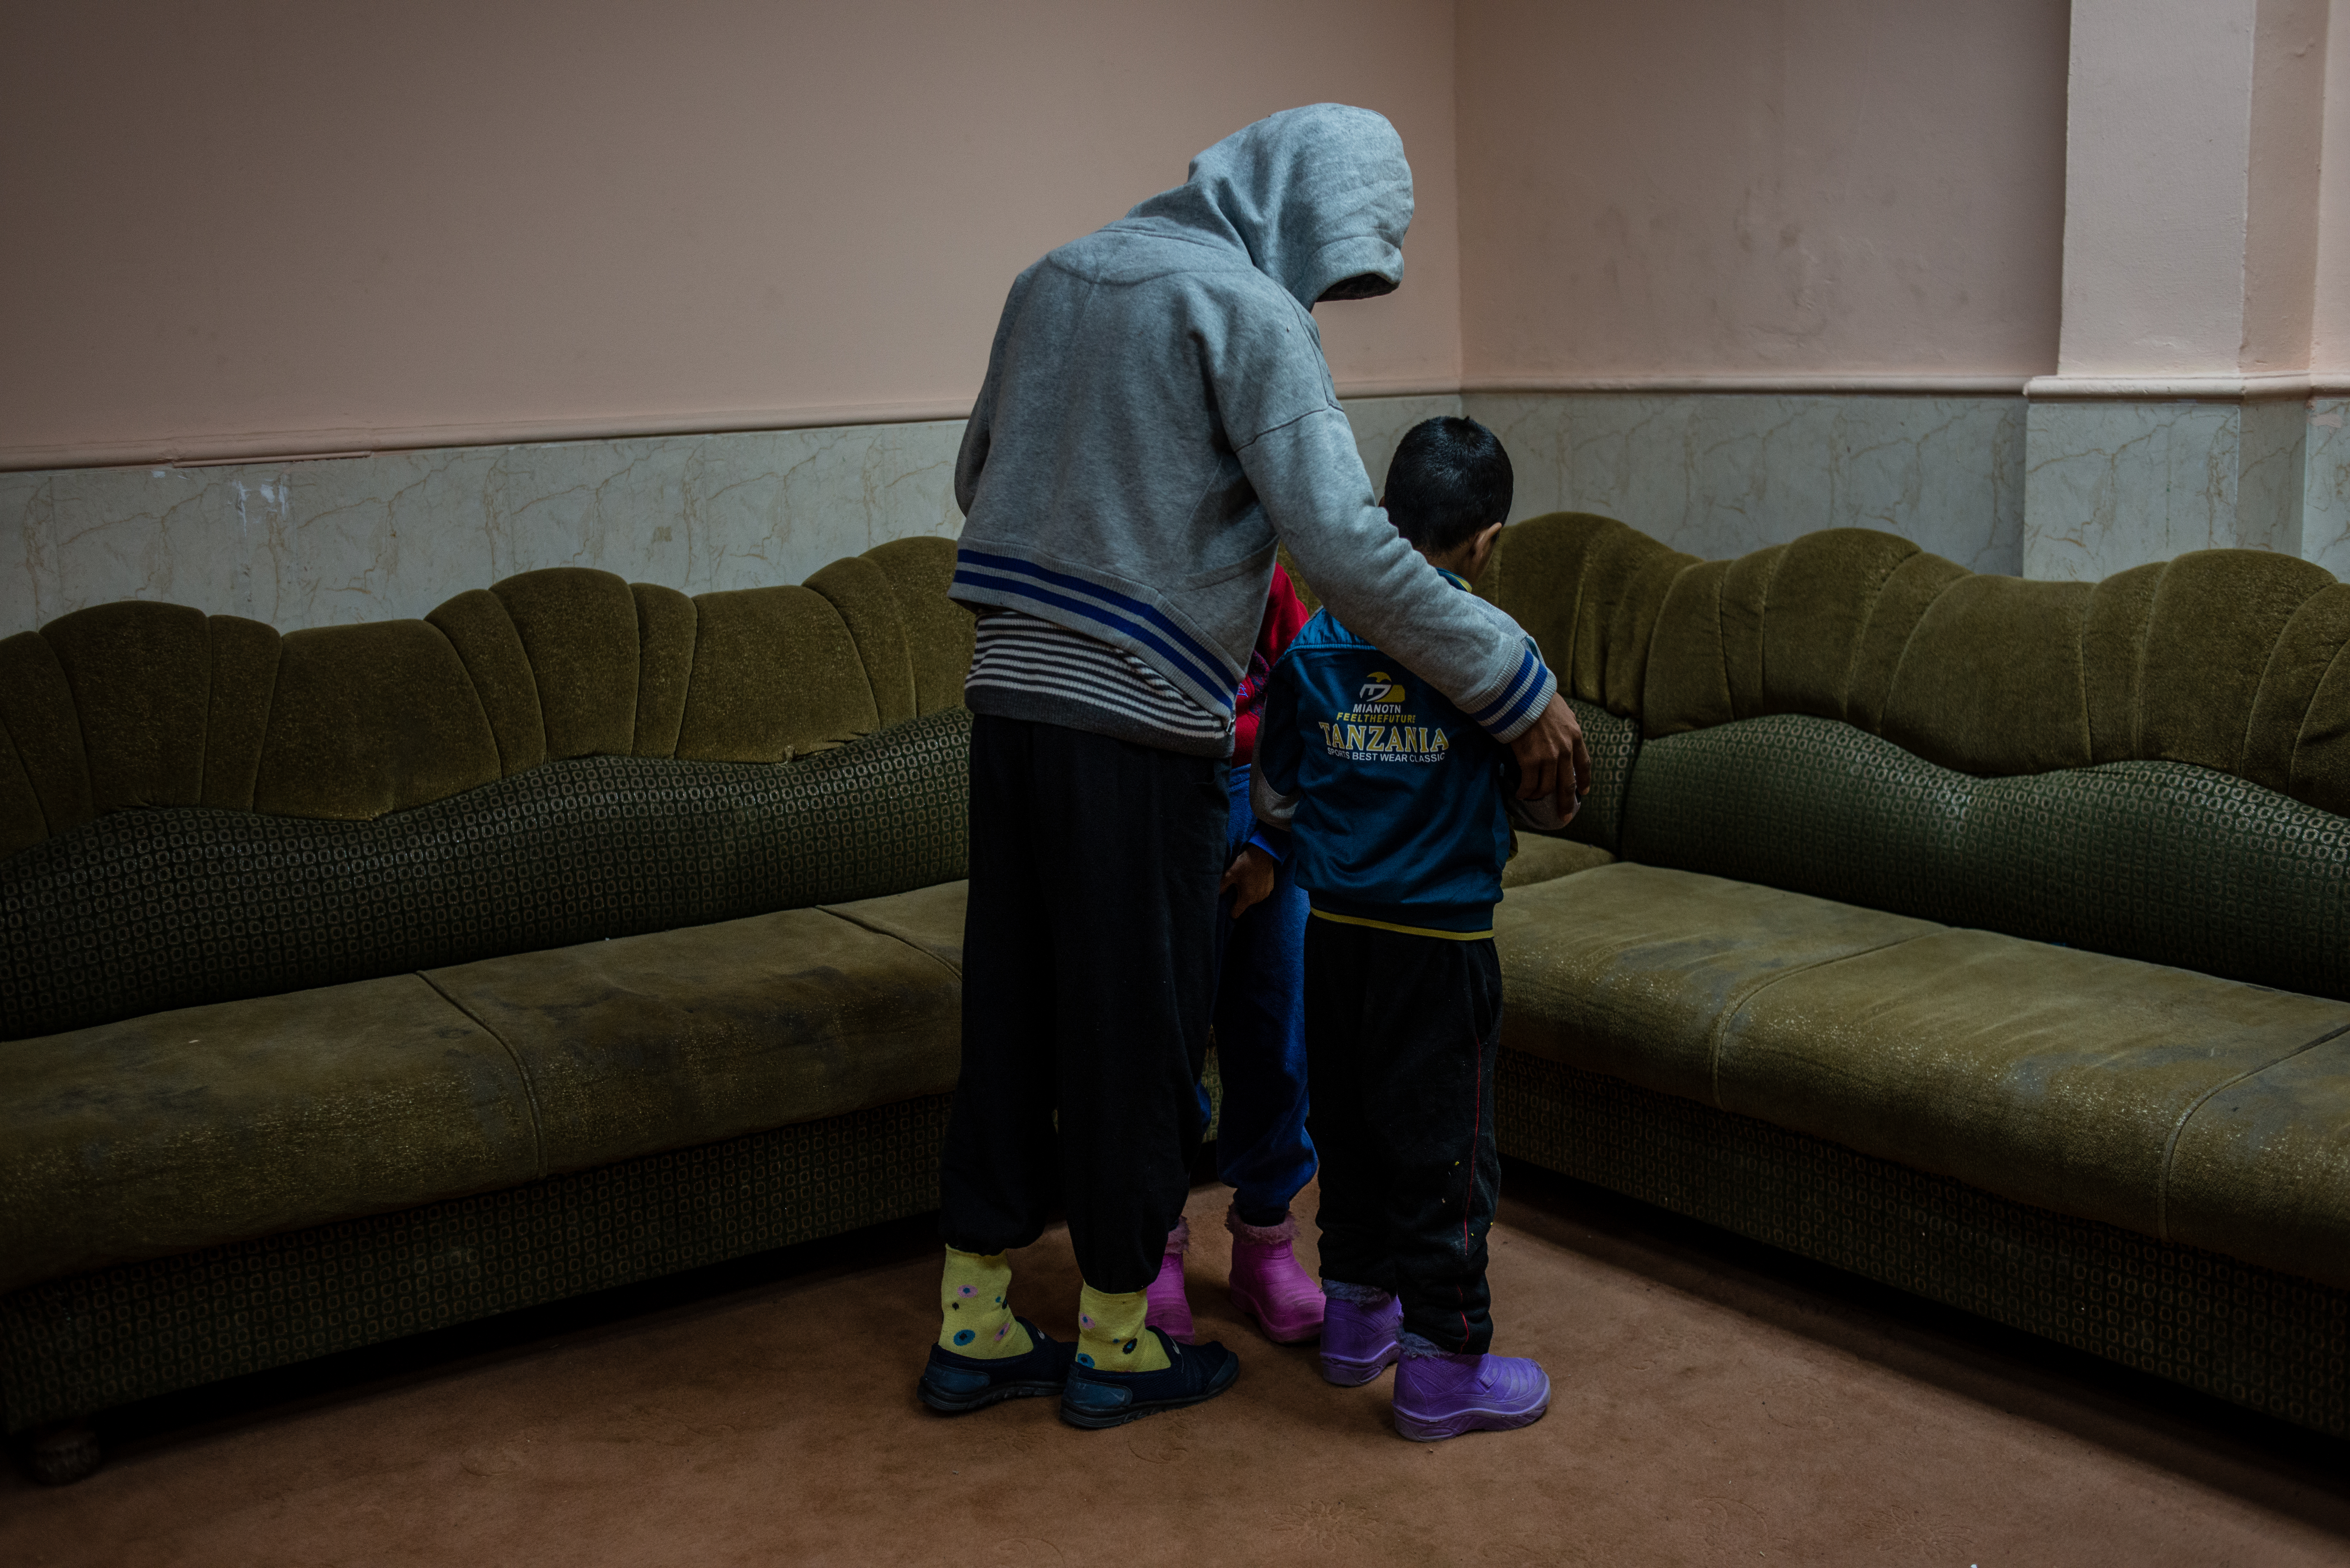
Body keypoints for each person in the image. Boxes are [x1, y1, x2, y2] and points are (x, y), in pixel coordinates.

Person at [916, 105, 1588, 1432]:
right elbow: (1343, 548)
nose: (1321, 299)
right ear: (1296, 213)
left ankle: (975, 1320)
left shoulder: (1045, 278)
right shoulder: (1246, 310)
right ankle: (1117, 1343)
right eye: (1334, 268)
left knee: (1011, 1007)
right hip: (1139, 721)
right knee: (1138, 1029)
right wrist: (1514, 686)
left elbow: (973, 470)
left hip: (1007, 703)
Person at [1252, 415, 1565, 1441]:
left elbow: (1281, 789)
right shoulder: (1491, 653)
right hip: (1443, 949)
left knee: (1348, 1130)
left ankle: (1354, 1324)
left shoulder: (1313, 644)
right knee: (1445, 1158)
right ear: (1486, 542)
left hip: (1334, 934)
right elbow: (1547, 795)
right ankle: (1443, 1368)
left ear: (1386, 522)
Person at [1145, 565, 1324, 1349]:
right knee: (1159, 1043)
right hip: (1164, 798)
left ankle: (1264, 1242)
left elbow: (1308, 715)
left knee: (1276, 1034)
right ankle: (1150, 1247)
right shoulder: (1136, 572)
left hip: (1263, 810)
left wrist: (1269, 845)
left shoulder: (1271, 583)